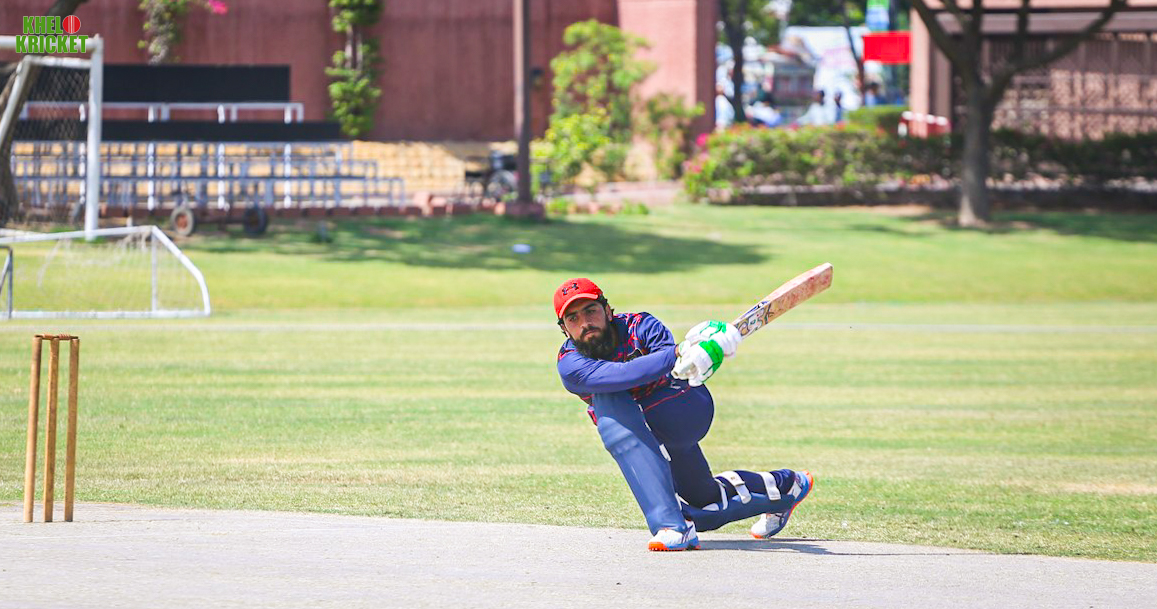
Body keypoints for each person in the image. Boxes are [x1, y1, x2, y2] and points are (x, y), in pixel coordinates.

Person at [552, 278, 814, 551]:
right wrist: (680, 351)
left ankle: (672, 526)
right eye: (573, 318)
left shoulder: (641, 325)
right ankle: (787, 487)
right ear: (564, 329)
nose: (585, 323)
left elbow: (677, 367)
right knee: (705, 506)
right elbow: (621, 374)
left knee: (609, 404)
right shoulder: (570, 364)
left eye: (591, 311)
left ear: (607, 311)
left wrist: (702, 352)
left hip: (681, 409)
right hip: (645, 436)